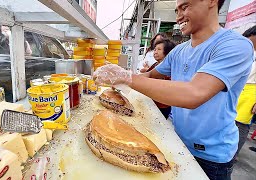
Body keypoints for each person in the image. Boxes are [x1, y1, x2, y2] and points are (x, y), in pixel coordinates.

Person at [93, 0, 254, 179]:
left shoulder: (235, 46)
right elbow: (151, 76)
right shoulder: (179, 51)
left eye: (185, 7)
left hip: (212, 157)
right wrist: (119, 76)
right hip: (177, 141)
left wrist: (126, 78)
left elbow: (194, 93)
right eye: (177, 10)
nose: (178, 16)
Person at [235, 25, 256, 157]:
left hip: (251, 93)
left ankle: (234, 154)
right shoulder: (246, 53)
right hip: (238, 88)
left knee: (241, 125)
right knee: (229, 121)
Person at [148, 39, 176, 118]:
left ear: (168, 52)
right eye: (155, 49)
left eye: (159, 49)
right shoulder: (155, 65)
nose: (155, 52)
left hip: (162, 106)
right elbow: (145, 76)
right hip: (152, 102)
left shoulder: (170, 69)